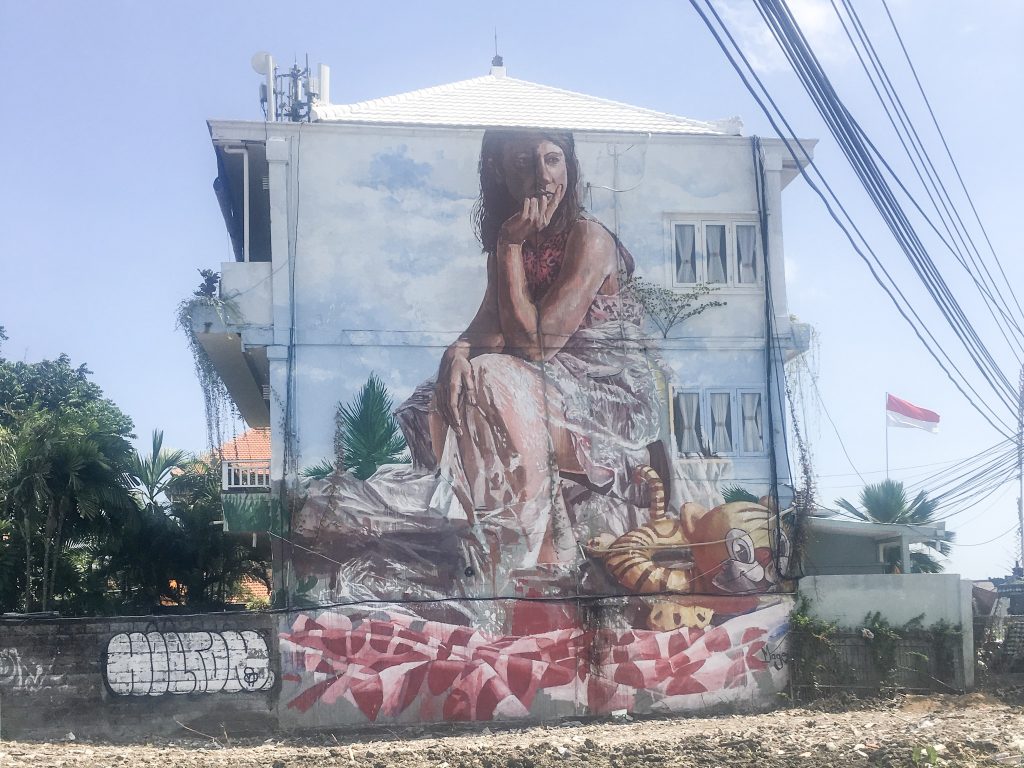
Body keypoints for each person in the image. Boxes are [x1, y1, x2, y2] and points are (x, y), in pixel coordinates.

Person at [396, 129, 663, 585]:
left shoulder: (588, 237)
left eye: (553, 160)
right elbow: (487, 328)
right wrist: (454, 356)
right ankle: (484, 536)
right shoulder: (515, 240)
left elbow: (536, 346)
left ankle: (537, 552)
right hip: (548, 384)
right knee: (432, 400)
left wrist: (510, 248)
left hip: (607, 400)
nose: (543, 178)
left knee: (490, 379)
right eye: (525, 163)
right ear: (500, 172)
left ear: (569, 167)